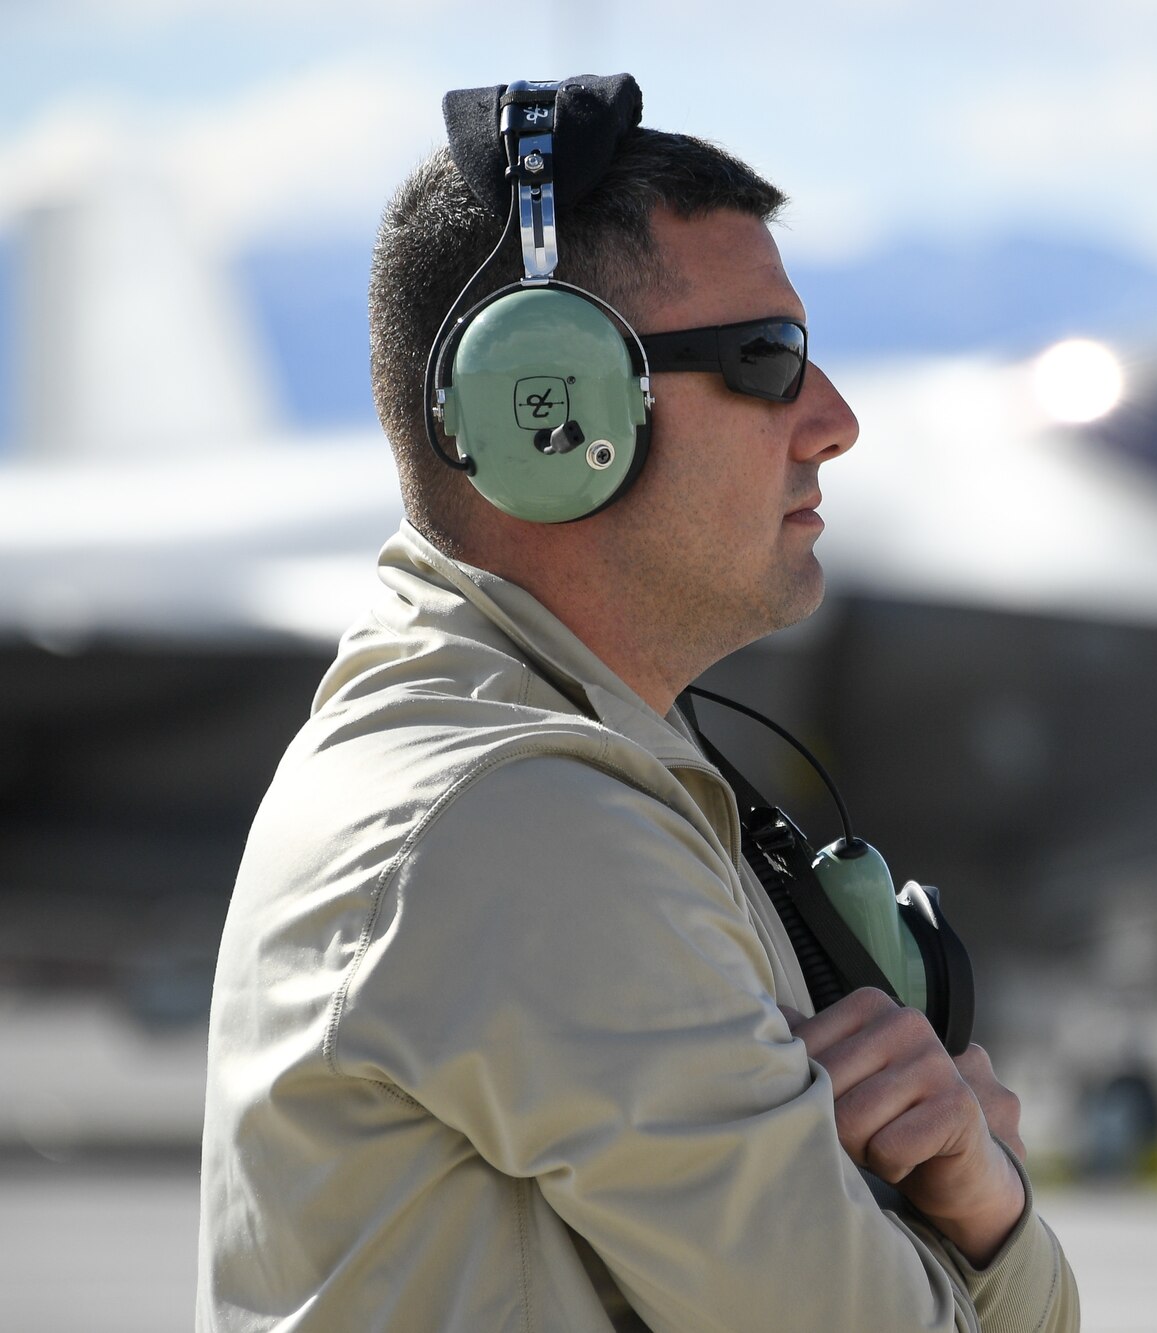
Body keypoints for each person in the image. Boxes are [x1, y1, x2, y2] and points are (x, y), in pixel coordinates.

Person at [196, 91, 1080, 1332]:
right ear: (548, 412)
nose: (832, 422)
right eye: (767, 359)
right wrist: (980, 1215)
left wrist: (973, 1213)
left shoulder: (563, 769)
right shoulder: (520, 821)